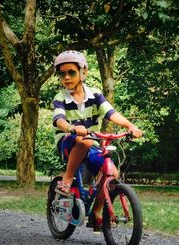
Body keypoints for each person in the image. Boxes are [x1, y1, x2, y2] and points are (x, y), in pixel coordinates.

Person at [52, 50, 142, 231]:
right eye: (62, 74)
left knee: (112, 174)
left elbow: (111, 113)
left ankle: (97, 212)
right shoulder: (61, 97)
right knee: (82, 140)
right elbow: (58, 119)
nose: (67, 77)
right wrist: (70, 127)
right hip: (67, 142)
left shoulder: (95, 95)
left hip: (90, 142)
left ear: (83, 72)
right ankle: (67, 178)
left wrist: (130, 126)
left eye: (71, 72)